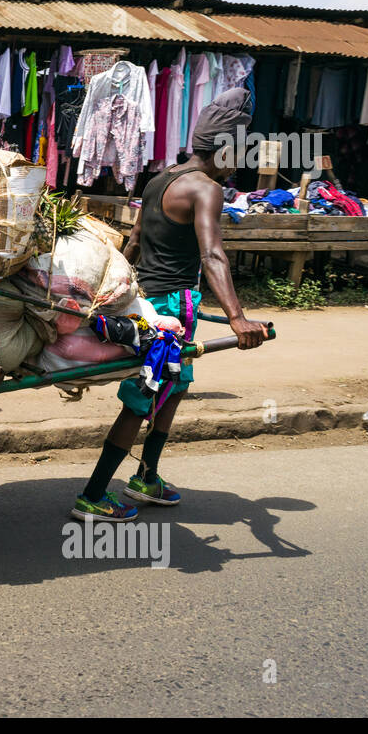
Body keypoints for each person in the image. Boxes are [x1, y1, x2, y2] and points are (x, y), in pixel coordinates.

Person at [71, 87, 268, 522]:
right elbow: (212, 254)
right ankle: (93, 493)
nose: (238, 164)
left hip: (152, 299)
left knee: (173, 389)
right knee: (144, 395)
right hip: (174, 307)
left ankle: (146, 476)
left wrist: (123, 292)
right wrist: (237, 318)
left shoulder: (160, 178)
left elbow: (136, 240)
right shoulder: (206, 190)